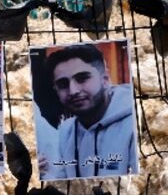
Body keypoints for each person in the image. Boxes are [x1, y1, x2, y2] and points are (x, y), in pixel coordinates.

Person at [38, 43, 138, 179]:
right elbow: (60, 180)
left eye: (82, 78)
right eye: (63, 84)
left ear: (105, 79)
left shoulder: (133, 122)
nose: (73, 91)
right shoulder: (66, 131)